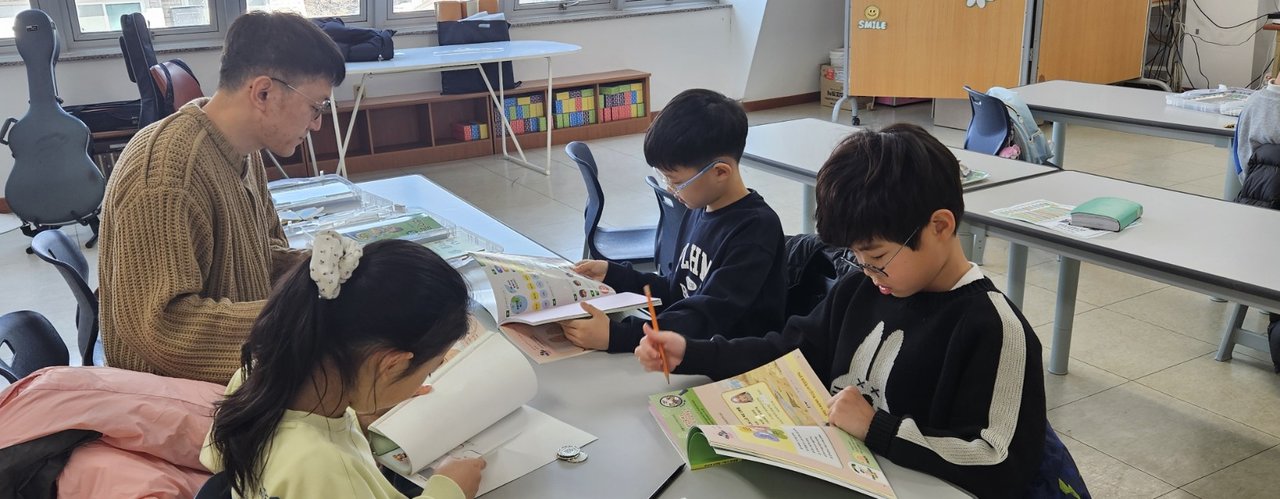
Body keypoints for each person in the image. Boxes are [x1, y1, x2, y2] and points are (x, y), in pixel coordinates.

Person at [635, 124, 1089, 498]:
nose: (868, 272)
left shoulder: (992, 327)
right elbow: (786, 353)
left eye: (877, 257)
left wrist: (878, 428)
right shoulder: (860, 288)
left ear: (939, 226)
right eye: (857, 257)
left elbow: (998, 462)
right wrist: (692, 351)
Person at [98, 11, 346, 383]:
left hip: (237, 366)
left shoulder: (245, 151)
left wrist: (319, 270)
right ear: (263, 93)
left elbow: (260, 254)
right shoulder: (167, 175)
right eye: (316, 107)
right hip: (176, 392)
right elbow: (163, 328)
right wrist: (306, 318)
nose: (317, 124)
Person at [202, 233, 486, 499]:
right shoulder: (324, 468)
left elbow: (219, 463)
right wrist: (448, 491)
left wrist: (358, 422)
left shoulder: (253, 377)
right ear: (392, 364)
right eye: (429, 370)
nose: (425, 379)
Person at [559, 89, 787, 354]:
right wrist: (614, 274)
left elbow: (706, 319)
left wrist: (619, 335)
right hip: (688, 351)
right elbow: (676, 290)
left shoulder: (755, 230)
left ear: (720, 172)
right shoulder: (698, 208)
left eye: (676, 181)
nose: (669, 189)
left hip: (728, 363)